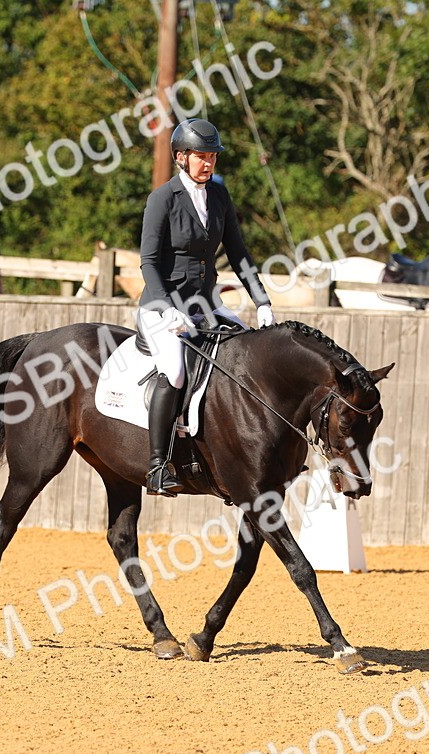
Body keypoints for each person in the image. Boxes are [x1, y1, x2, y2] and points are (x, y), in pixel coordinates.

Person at [137, 118, 275, 497]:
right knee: (176, 371)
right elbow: (148, 262)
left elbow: (238, 253)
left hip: (206, 305)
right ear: (182, 157)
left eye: (212, 156)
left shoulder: (218, 196)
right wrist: (166, 308)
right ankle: (157, 466)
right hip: (161, 307)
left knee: (249, 351)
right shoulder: (162, 199)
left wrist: (261, 300)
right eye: (201, 156)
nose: (208, 163)